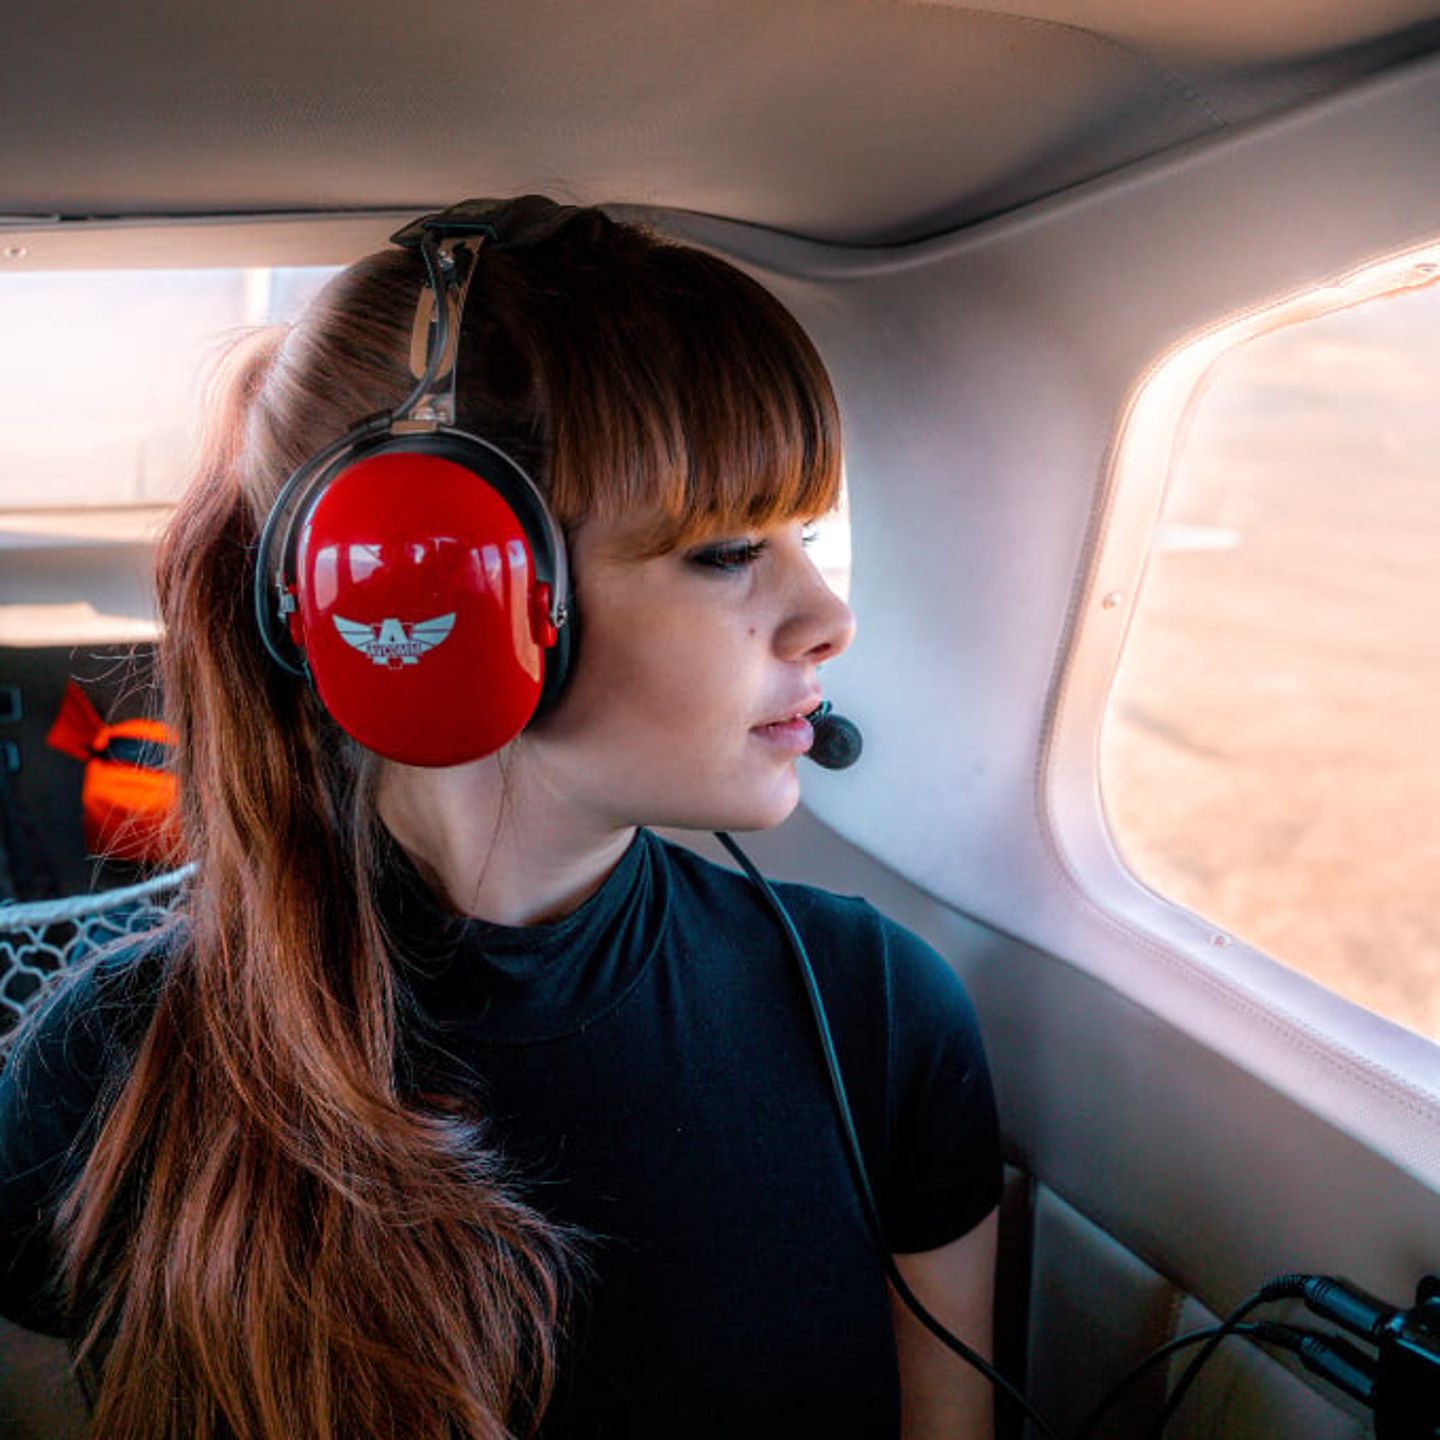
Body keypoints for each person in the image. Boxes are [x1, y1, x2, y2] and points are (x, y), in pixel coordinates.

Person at [0, 199, 1002, 1439]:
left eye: (809, 537)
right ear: (445, 582)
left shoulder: (879, 1013)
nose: (826, 617)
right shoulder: (115, 1068)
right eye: (731, 551)